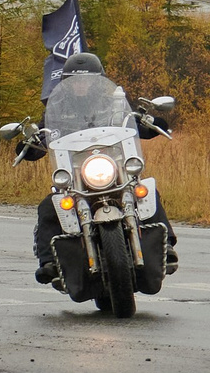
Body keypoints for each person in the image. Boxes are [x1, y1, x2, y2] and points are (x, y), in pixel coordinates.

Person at [22, 51, 172, 284]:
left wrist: (150, 122)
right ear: (66, 82)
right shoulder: (58, 106)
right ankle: (48, 261)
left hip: (112, 170)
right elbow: (45, 131)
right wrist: (31, 143)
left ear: (98, 80)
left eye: (87, 79)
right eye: (75, 79)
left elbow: (130, 121)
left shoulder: (113, 101)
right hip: (76, 176)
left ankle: (167, 246)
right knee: (49, 206)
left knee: (145, 190)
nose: (81, 84)